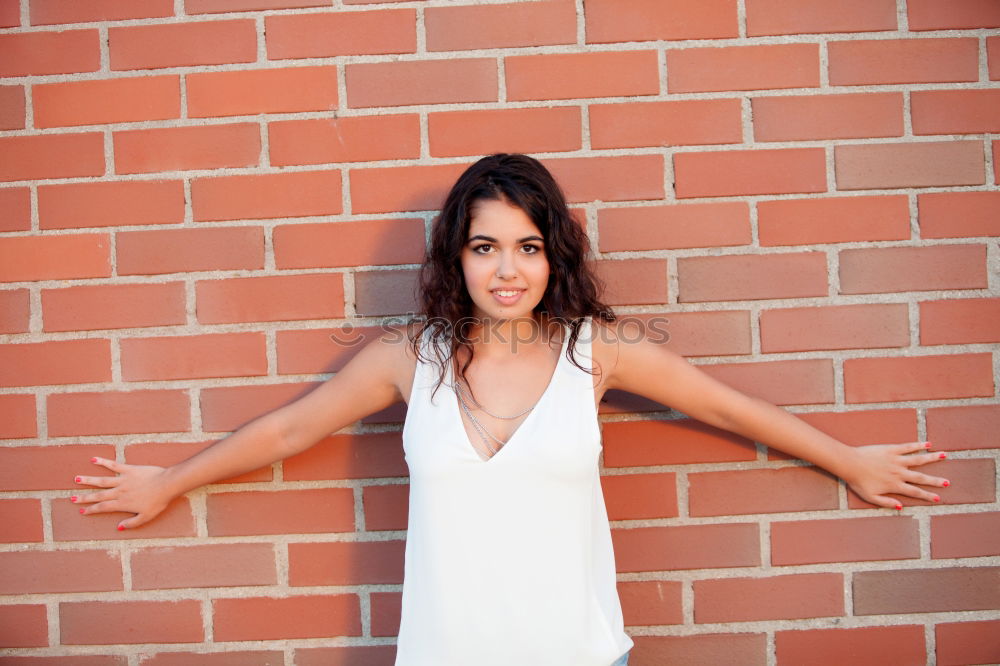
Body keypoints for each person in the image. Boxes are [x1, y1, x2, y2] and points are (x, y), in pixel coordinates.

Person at [73, 153, 949, 666]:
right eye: (485, 246)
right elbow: (291, 429)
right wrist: (172, 481)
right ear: (456, 257)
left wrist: (852, 462)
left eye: (527, 248)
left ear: (552, 255)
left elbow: (732, 409)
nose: (506, 270)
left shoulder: (597, 351)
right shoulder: (401, 360)